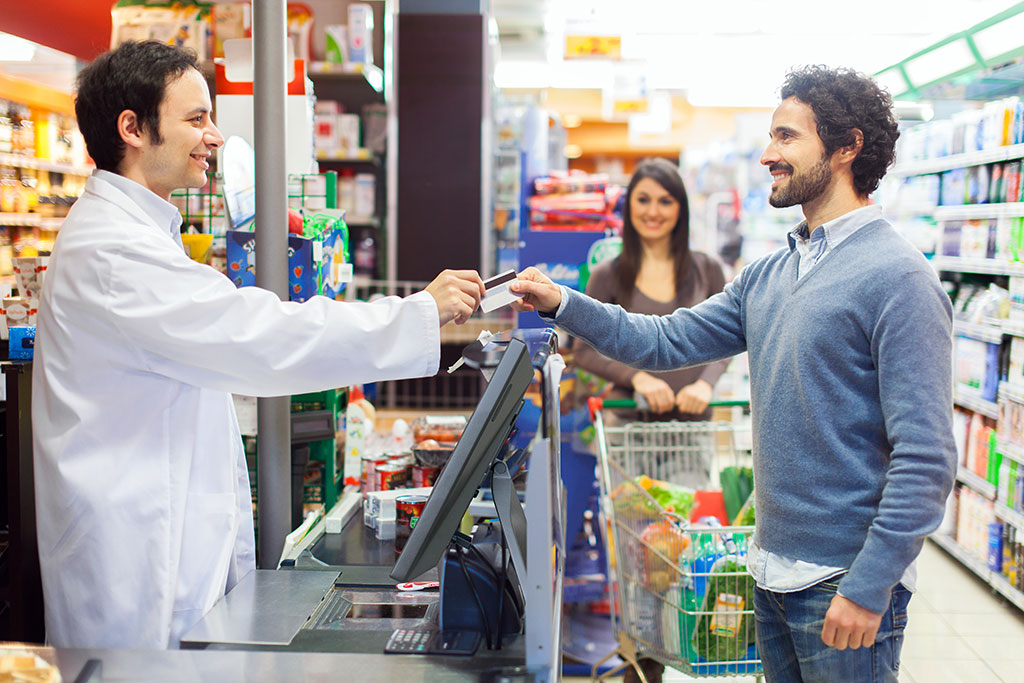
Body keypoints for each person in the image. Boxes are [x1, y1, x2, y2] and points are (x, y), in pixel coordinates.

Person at [32, 40, 485, 650]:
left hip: (164, 541)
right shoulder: (113, 253)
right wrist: (414, 315)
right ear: (132, 128)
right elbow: (260, 336)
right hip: (136, 568)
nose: (215, 137)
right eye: (196, 119)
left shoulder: (140, 234)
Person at [512, 65, 956, 682]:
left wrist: (870, 585)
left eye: (786, 137)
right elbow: (666, 338)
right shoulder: (770, 274)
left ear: (848, 147)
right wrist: (564, 301)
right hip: (769, 572)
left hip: (842, 585)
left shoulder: (900, 279)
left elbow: (927, 457)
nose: (768, 154)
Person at [574, 158, 729, 421]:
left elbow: (727, 337)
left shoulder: (707, 269)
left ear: (681, 208)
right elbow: (584, 351)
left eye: (665, 201)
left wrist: (706, 384)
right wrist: (637, 378)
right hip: (628, 424)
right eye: (643, 200)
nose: (653, 212)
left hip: (693, 425)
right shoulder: (607, 275)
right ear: (629, 205)